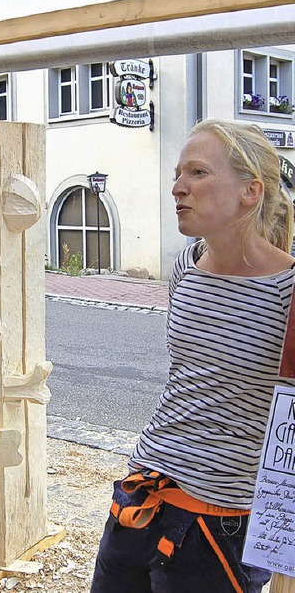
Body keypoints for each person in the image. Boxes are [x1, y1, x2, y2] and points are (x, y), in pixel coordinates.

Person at [91, 119, 295, 593]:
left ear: (250, 192)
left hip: (219, 526)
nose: (178, 187)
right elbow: (184, 379)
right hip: (141, 494)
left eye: (198, 173)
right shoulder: (185, 266)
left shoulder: (289, 290)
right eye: (178, 174)